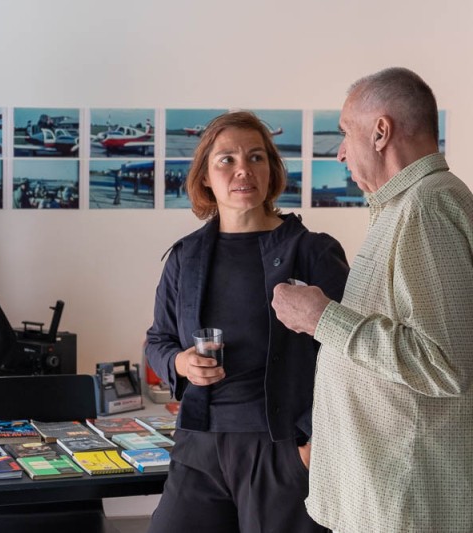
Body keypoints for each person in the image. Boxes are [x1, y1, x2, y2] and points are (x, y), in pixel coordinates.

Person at [272, 67, 473, 532]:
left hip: (406, 504)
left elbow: (444, 364)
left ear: (380, 132)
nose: (341, 151)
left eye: (346, 132)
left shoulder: (424, 210)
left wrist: (322, 318)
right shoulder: (407, 207)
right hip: (390, 497)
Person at [145, 111, 349, 533]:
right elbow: (158, 339)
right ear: (204, 175)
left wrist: (309, 447)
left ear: (272, 170)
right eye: (227, 159)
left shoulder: (312, 252)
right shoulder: (185, 257)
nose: (243, 170)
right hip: (198, 446)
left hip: (280, 450)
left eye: (256, 157)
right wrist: (180, 364)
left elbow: (347, 358)